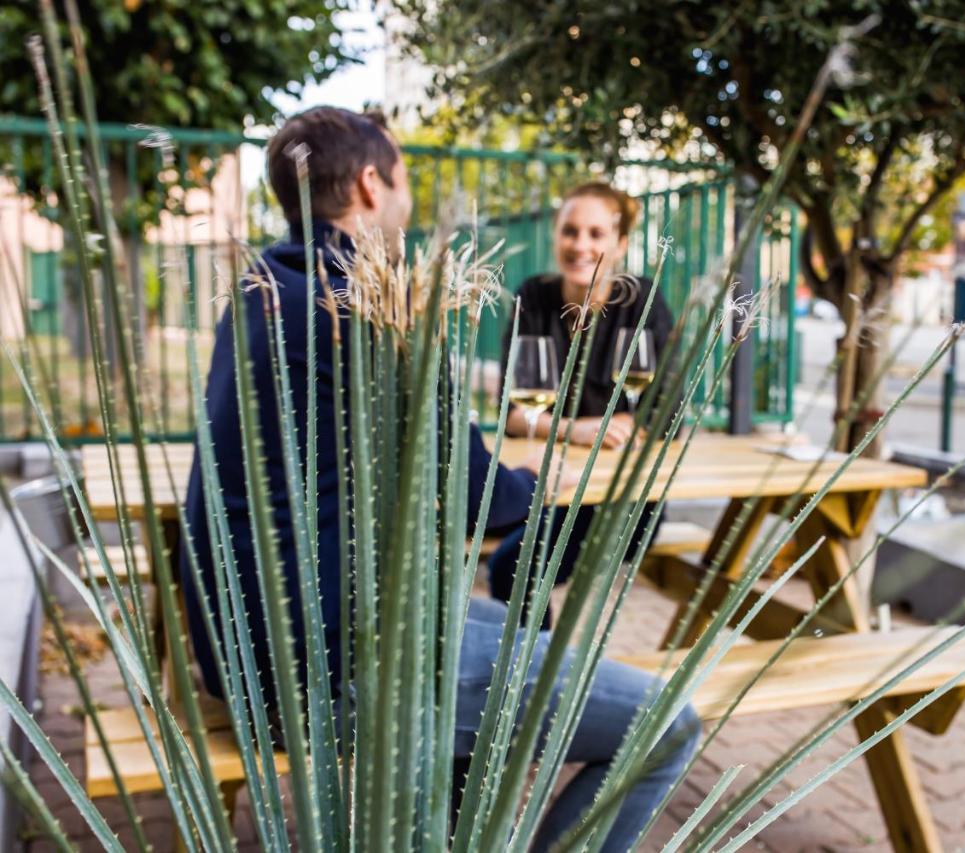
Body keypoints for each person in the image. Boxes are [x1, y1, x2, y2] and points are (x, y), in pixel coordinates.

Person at [179, 107, 697, 851]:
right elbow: (476, 500)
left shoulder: (261, 290)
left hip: (244, 657)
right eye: (403, 179)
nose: (408, 200)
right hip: (329, 672)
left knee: (520, 627)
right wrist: (533, 480)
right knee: (667, 724)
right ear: (370, 184)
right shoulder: (366, 304)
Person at [489, 183, 675, 625]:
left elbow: (666, 413)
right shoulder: (533, 296)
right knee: (472, 531)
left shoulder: (642, 301)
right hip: (549, 485)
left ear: (620, 243)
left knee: (511, 567)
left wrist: (626, 426)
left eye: (596, 233)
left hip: (621, 497)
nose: (580, 245)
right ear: (555, 235)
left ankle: (533, 667)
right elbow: (509, 414)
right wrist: (579, 430)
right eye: (570, 231)